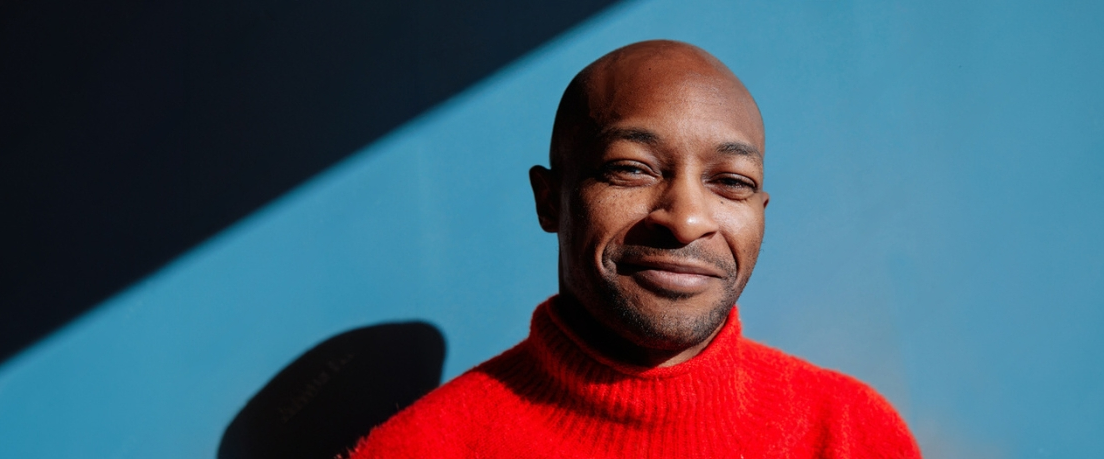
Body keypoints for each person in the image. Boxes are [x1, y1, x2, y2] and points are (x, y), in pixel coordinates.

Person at [347, 40, 921, 458]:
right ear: (551, 201)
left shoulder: (848, 433)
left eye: (732, 182)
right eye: (631, 169)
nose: (688, 220)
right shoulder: (420, 449)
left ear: (760, 213)